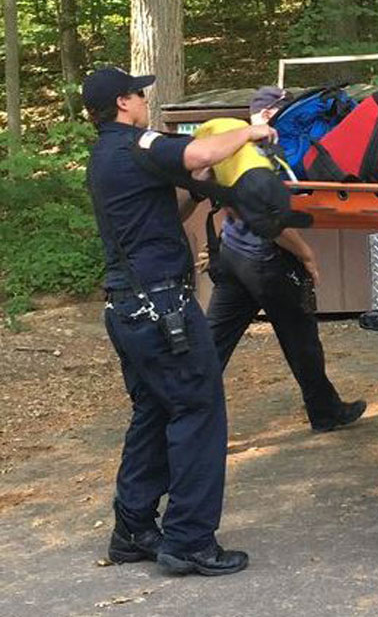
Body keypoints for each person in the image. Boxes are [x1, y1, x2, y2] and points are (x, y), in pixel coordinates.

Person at [84, 67, 267, 576]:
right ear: (124, 103)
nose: (145, 100)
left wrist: (199, 188)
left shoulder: (104, 157)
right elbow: (198, 152)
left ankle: (133, 529)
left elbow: (165, 204)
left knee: (155, 412)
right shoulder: (138, 143)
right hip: (162, 309)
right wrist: (250, 130)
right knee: (198, 411)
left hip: (129, 307)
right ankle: (189, 542)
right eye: (139, 94)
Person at [205, 87, 367, 433]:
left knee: (212, 343)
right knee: (301, 339)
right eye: (281, 112)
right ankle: (325, 413)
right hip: (267, 261)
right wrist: (307, 255)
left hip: (234, 255)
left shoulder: (231, 149)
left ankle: (184, 413)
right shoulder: (266, 156)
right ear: (266, 115)